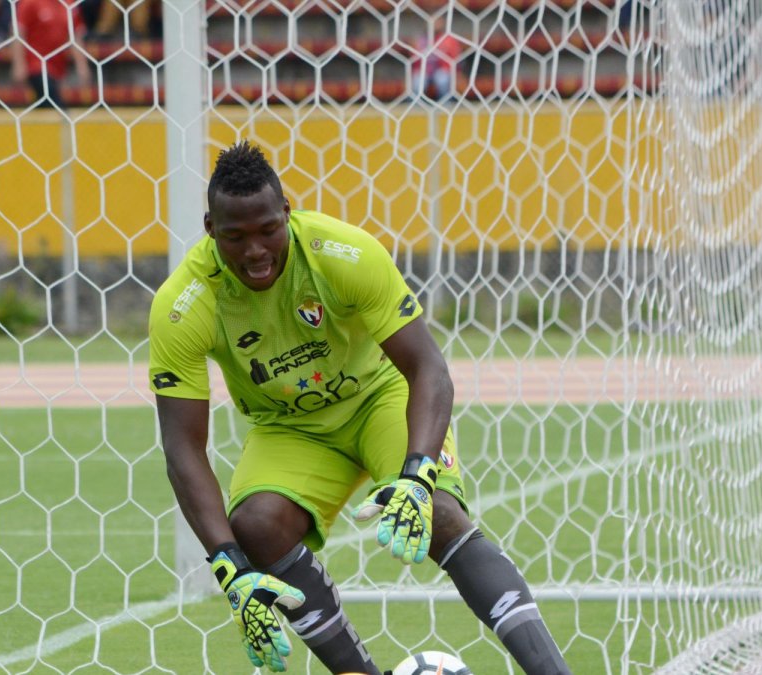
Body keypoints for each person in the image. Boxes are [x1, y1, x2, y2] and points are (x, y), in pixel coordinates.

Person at [148, 140, 572, 675]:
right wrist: (230, 568)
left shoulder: (342, 254)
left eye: (267, 230)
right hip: (291, 429)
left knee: (438, 512)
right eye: (235, 237)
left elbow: (428, 371)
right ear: (211, 229)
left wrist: (418, 476)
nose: (255, 250)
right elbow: (182, 446)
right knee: (255, 525)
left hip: (380, 398)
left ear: (288, 211)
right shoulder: (183, 306)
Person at [10, 0, 92, 109]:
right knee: (53, 103)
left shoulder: (70, 5)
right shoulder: (30, 2)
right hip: (36, 65)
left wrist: (82, 66)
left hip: (58, 69)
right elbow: (18, 33)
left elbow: (76, 37)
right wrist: (19, 64)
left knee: (45, 106)